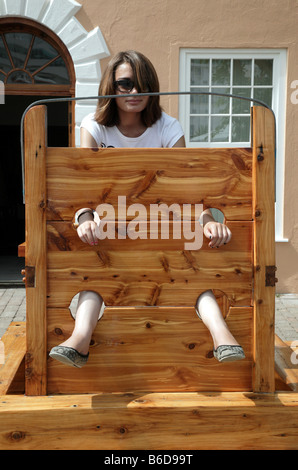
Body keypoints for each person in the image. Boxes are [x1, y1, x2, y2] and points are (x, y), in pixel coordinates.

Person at [49, 50, 245, 368]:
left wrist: (208, 220)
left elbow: (187, 190)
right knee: (94, 281)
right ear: (110, 87)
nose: (135, 93)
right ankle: (79, 339)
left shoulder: (168, 128)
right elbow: (83, 189)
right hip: (110, 228)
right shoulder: (94, 127)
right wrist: (85, 218)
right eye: (125, 84)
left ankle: (222, 336)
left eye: (142, 85)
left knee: (192, 275)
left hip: (162, 225)